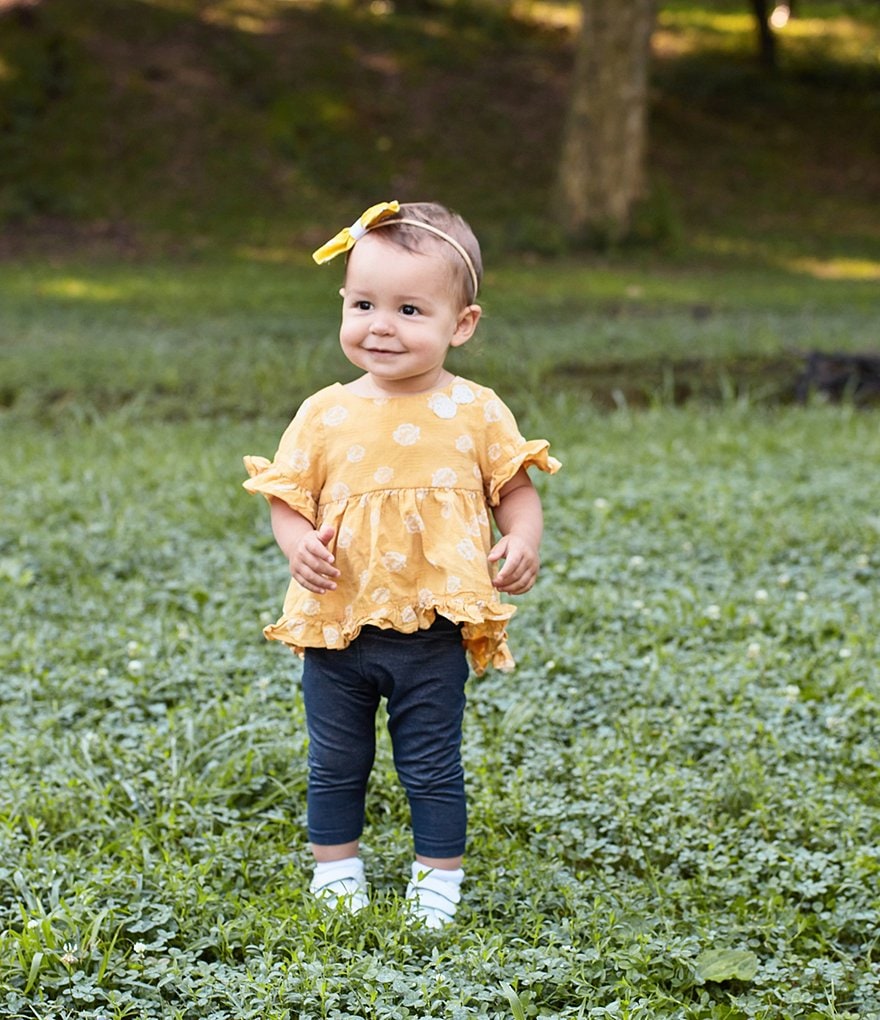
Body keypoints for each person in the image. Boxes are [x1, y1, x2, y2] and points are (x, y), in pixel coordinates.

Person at [243, 200, 560, 927]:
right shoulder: (323, 412)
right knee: (335, 760)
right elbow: (287, 498)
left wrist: (522, 538)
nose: (380, 325)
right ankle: (337, 870)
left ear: (462, 324)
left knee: (432, 762)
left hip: (434, 628)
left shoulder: (477, 411)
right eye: (363, 304)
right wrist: (296, 543)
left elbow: (515, 491)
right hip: (338, 625)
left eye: (410, 309)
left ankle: (437, 881)